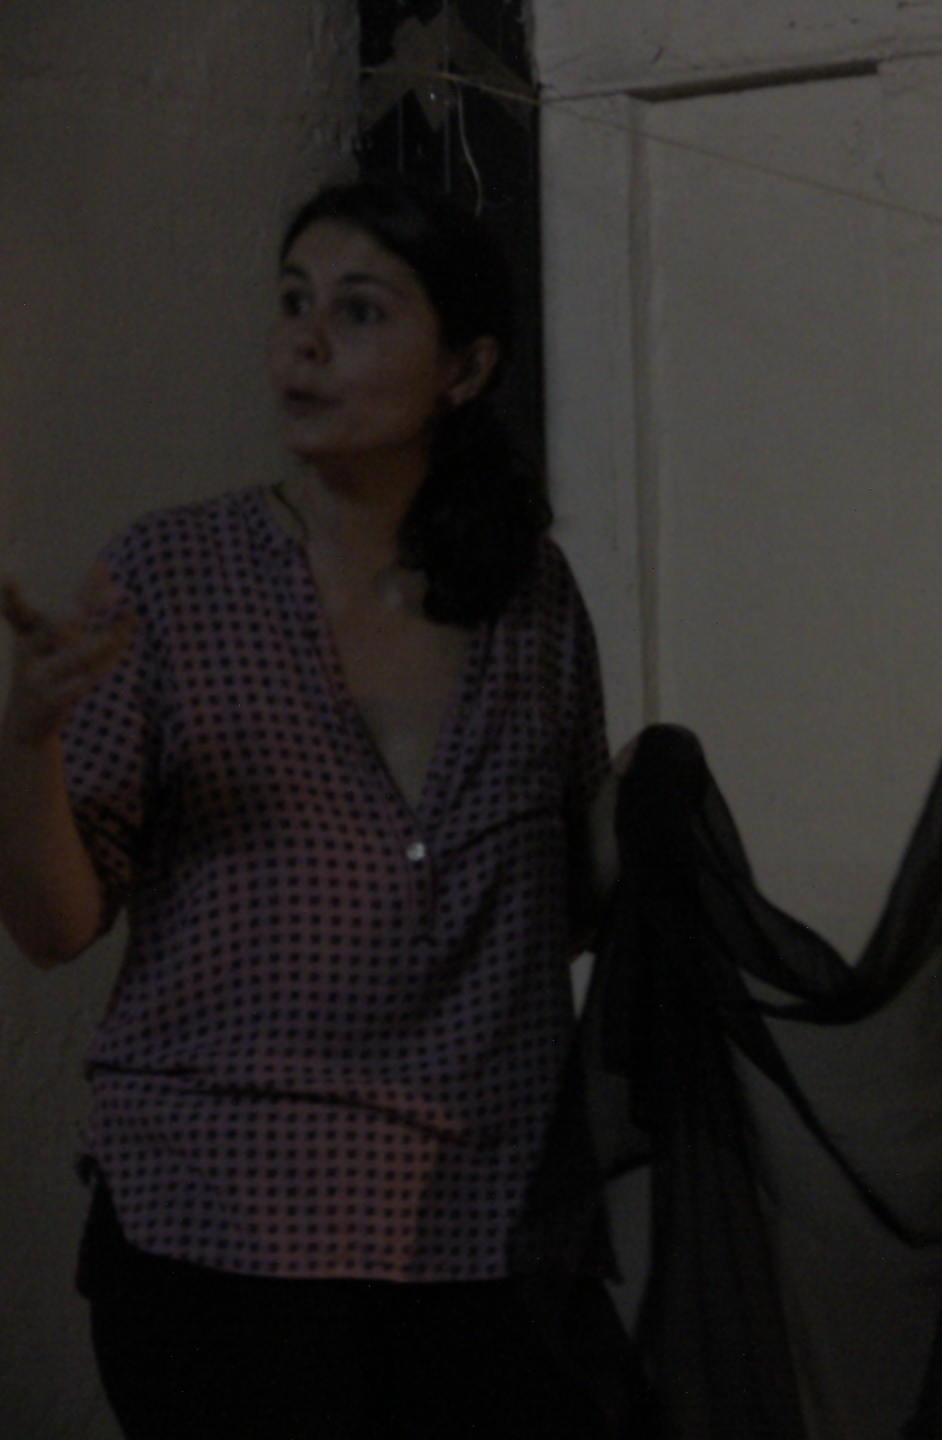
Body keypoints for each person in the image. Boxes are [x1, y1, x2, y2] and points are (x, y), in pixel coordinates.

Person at [0, 179, 616, 1438]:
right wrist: (28, 736)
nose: (304, 344)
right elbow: (54, 926)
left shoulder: (528, 597)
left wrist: (655, 816)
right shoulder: (172, 575)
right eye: (292, 304)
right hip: (222, 1222)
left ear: (465, 369)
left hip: (487, 1224)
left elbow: (551, 912)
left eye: (360, 311)